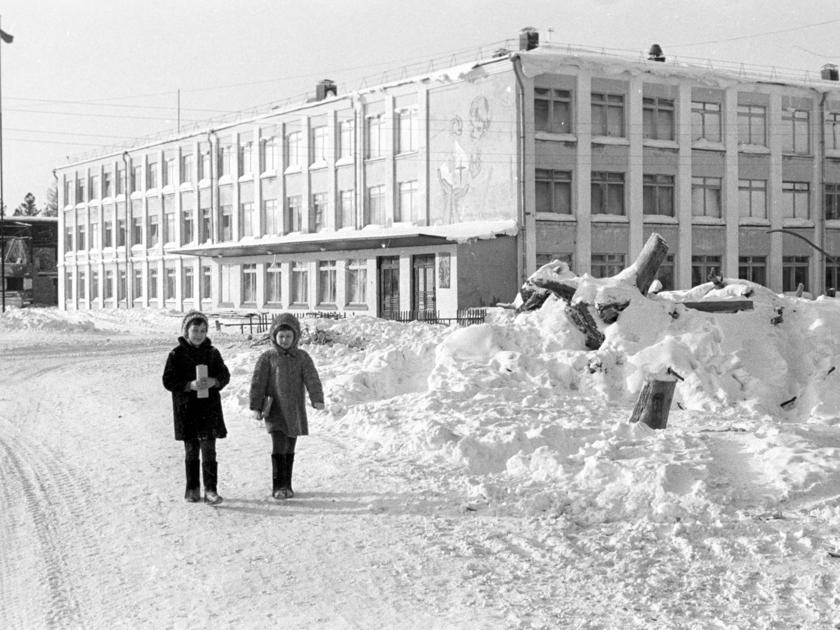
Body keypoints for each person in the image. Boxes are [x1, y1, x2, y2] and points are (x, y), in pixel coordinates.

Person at [249, 313, 324, 500]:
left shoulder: (302, 357)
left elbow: (312, 379)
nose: (284, 340)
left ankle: (287, 484)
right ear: (274, 336)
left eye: (288, 336)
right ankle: (278, 486)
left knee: (289, 447)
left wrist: (317, 398)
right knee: (278, 446)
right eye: (280, 336)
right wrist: (256, 406)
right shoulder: (267, 358)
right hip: (274, 410)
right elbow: (258, 382)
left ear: (295, 337)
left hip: (295, 410)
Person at [162, 310, 230, 505]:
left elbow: (225, 375)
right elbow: (168, 380)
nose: (199, 334)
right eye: (195, 330)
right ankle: (192, 489)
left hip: (208, 410)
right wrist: (188, 385)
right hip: (188, 410)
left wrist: (214, 381)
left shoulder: (212, 353)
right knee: (191, 452)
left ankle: (211, 490)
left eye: (202, 330)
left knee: (209, 451)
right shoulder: (176, 354)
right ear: (186, 331)